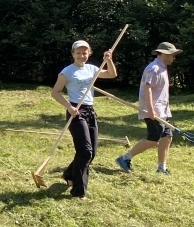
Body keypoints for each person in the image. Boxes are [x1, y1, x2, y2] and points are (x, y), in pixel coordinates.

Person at [50, 40, 117, 199]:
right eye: (78, 53)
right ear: (73, 54)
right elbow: (55, 92)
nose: (81, 55)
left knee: (91, 152)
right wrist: (69, 107)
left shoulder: (92, 68)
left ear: (89, 54)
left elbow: (112, 74)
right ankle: (79, 192)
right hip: (75, 112)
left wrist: (109, 60)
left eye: (84, 53)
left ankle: (69, 174)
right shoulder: (67, 72)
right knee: (85, 151)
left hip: (90, 111)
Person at [116, 42, 182, 176]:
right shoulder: (154, 68)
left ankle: (161, 168)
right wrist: (151, 110)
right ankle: (124, 158)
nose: (174, 57)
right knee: (153, 139)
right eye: (172, 54)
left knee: (167, 137)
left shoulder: (162, 67)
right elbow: (148, 88)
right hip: (153, 111)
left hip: (162, 110)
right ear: (164, 54)